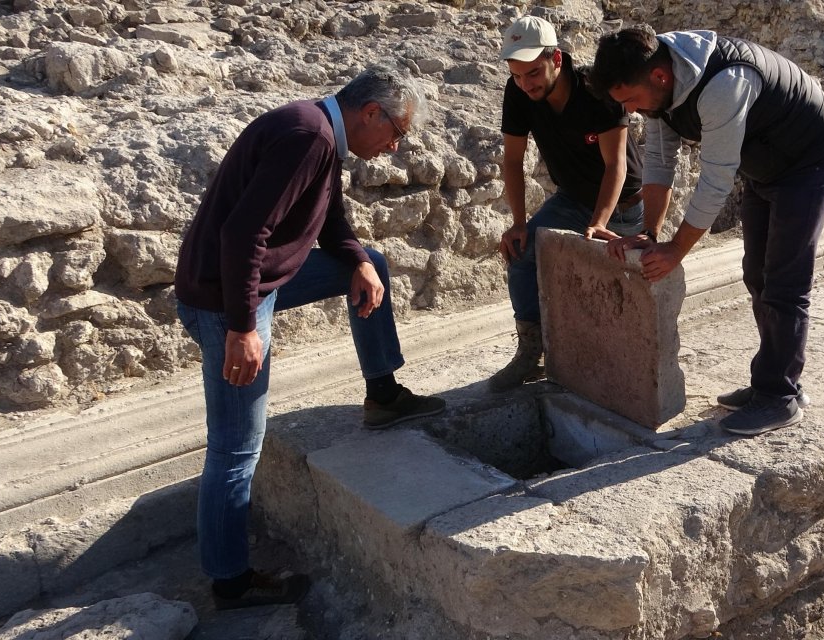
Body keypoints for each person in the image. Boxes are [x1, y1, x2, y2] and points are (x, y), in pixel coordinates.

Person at [173, 64, 445, 609]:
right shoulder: (306, 137)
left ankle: (384, 395)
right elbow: (243, 234)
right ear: (372, 113)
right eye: (397, 133)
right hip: (227, 297)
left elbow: (328, 216)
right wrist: (243, 327)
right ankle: (230, 581)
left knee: (374, 263)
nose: (394, 148)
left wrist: (357, 263)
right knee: (236, 447)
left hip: (255, 284)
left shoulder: (320, 134)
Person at [590, 26, 824, 436]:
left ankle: (778, 397)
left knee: (785, 281)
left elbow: (715, 181)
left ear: (658, 77)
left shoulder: (725, 82)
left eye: (632, 100)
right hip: (765, 166)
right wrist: (651, 233)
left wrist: (677, 248)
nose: (633, 110)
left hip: (810, 161)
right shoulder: (661, 87)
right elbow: (659, 162)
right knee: (757, 275)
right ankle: (775, 382)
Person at [490, 16, 646, 391]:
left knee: (617, 287)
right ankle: (533, 352)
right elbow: (512, 161)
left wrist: (600, 221)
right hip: (571, 199)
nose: (526, 84)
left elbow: (616, 165)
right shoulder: (519, 93)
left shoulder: (597, 91)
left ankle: (628, 366)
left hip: (621, 207)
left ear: (556, 59)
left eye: (533, 73)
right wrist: (518, 223)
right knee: (521, 253)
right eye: (517, 75)